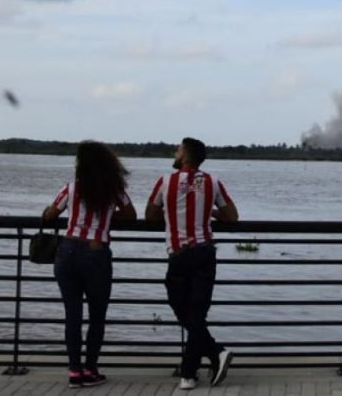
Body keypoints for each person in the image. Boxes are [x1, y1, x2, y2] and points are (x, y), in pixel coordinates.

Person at [145, 137, 238, 391]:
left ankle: (193, 370)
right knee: (196, 314)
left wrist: (170, 211)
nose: (175, 152)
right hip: (205, 253)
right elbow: (232, 216)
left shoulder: (166, 182)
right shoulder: (212, 181)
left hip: (179, 254)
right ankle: (202, 363)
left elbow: (150, 215)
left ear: (185, 155)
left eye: (178, 149)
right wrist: (209, 211)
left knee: (182, 310)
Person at [42, 141, 136, 389]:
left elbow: (50, 214)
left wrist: (54, 212)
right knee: (97, 316)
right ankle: (91, 369)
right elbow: (131, 214)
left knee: (72, 316)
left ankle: (74, 371)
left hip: (68, 251)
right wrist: (105, 218)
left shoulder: (71, 188)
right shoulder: (113, 189)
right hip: (96, 252)